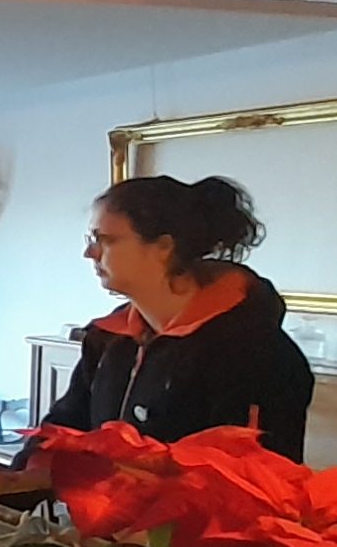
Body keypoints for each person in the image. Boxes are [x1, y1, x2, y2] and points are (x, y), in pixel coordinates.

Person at [37, 173, 314, 459]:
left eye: (105, 240)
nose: (90, 253)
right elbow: (63, 431)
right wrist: (17, 475)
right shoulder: (108, 338)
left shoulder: (256, 353)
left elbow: (249, 475)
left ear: (164, 247)